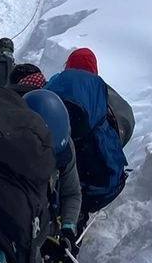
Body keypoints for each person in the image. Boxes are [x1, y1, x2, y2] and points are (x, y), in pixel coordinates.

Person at [18, 87, 81, 263]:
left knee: (49, 262)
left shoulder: (64, 148)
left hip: (43, 215)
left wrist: (67, 228)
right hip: (16, 218)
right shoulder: (8, 151)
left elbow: (71, 192)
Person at [47, 46, 134, 236]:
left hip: (50, 163)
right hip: (91, 174)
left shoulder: (56, 81)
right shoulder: (98, 87)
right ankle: (73, 229)